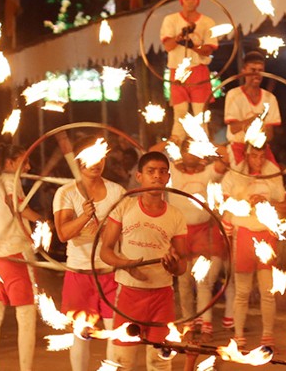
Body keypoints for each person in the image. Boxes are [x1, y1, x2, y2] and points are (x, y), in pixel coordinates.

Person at [100, 151, 188, 371]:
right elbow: (105, 251)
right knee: (123, 361)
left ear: (168, 178)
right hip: (129, 294)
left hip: (162, 296)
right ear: (139, 176)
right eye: (151, 171)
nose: (157, 176)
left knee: (160, 361)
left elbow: (182, 265)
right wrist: (126, 265)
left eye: (162, 172)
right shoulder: (124, 207)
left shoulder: (175, 215)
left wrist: (173, 265)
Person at [53, 137, 126, 371]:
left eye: (100, 157)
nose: (97, 163)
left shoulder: (117, 191)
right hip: (79, 273)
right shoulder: (66, 193)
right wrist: (84, 217)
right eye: (90, 158)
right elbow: (63, 233)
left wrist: (108, 232)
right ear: (79, 161)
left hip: (110, 273)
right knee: (81, 334)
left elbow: (126, 231)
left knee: (115, 333)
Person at [0, 143, 42, 371]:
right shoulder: (10, 182)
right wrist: (44, 221)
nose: (29, 166)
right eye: (24, 161)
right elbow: (16, 207)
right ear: (10, 163)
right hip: (16, 259)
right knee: (26, 319)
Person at [221, 145, 286, 349]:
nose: (258, 161)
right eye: (254, 156)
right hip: (243, 233)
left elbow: (284, 205)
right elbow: (224, 203)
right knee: (242, 291)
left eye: (261, 156)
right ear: (247, 156)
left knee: (268, 292)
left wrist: (265, 202)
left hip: (266, 233)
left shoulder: (272, 174)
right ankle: (238, 335)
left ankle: (267, 336)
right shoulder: (234, 175)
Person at [168, 142, 228, 342]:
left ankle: (206, 326)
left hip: (203, 231)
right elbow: (150, 153)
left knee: (202, 281)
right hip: (180, 233)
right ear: (181, 152)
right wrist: (172, 140)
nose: (191, 154)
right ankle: (188, 324)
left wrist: (206, 143)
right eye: (187, 150)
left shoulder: (208, 172)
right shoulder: (172, 172)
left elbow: (226, 157)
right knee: (184, 282)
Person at [160, 0, 218, 144]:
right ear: (181, 0)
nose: (190, 1)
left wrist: (193, 46)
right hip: (177, 72)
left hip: (198, 70)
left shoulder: (207, 22)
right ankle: (176, 153)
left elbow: (208, 50)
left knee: (201, 116)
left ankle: (203, 151)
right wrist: (180, 37)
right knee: (180, 115)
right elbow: (168, 46)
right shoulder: (171, 20)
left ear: (198, 0)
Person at [223, 51, 280, 167]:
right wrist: (253, 120)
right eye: (253, 70)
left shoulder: (270, 98)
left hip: (261, 149)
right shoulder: (233, 95)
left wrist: (261, 130)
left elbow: (270, 135)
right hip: (239, 146)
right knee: (240, 176)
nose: (257, 74)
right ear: (243, 70)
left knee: (275, 175)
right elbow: (233, 128)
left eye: (260, 70)